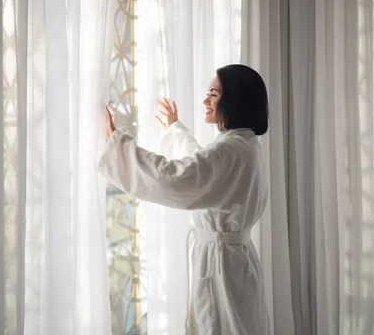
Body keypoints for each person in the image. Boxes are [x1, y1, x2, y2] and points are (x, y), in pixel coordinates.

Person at [97, 64, 271, 335]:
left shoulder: (231, 149)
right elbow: (205, 173)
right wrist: (176, 131)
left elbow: (178, 178)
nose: (206, 100)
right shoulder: (243, 144)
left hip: (223, 269)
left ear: (235, 100)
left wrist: (120, 147)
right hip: (236, 263)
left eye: (213, 94)